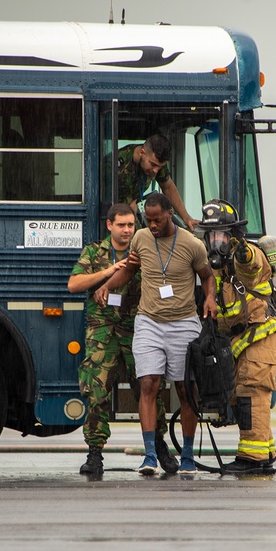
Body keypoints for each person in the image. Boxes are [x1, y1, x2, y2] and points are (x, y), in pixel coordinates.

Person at [94, 192, 216, 475]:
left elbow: (207, 275)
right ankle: (149, 455)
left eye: (156, 220)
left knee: (185, 390)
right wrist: (108, 285)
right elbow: (130, 270)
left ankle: (187, 455)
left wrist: (209, 298)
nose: (151, 225)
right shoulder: (141, 239)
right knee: (148, 383)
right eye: (147, 220)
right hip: (148, 321)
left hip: (183, 322)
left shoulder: (191, 244)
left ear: (170, 214)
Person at [67, 203, 176, 476]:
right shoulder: (94, 251)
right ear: (109, 225)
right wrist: (107, 273)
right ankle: (95, 454)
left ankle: (159, 446)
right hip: (102, 331)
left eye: (131, 225)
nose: (127, 230)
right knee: (96, 391)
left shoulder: (145, 249)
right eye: (121, 225)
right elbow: (74, 284)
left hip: (136, 328)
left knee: (149, 388)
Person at [200, 199, 276, 474]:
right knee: (245, 396)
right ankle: (265, 451)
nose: (216, 241)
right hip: (240, 341)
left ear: (234, 236)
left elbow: (251, 265)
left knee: (251, 395)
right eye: (212, 235)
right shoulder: (218, 268)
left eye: (222, 235)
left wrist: (241, 248)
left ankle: (252, 458)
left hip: (258, 339)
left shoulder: (249, 255)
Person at [116, 133, 198, 231]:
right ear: (142, 153)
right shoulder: (118, 164)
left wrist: (186, 218)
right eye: (153, 165)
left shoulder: (155, 163)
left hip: (132, 212)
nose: (155, 171)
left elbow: (168, 187)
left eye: (159, 167)